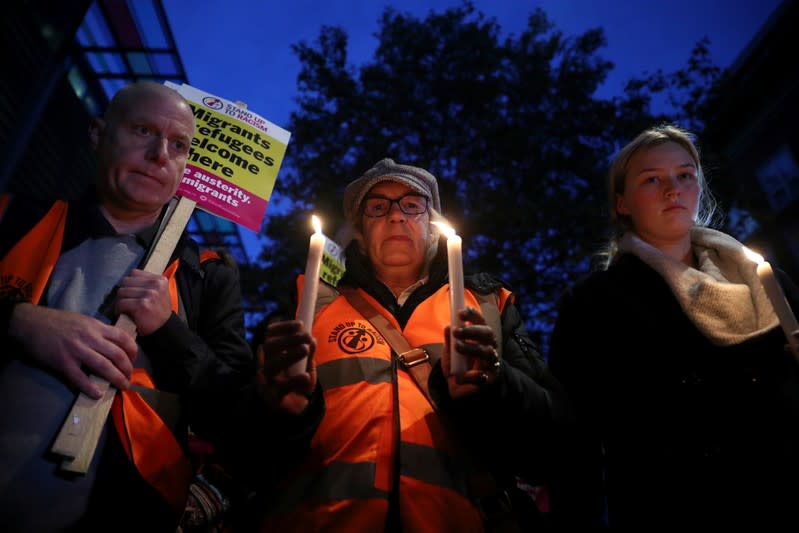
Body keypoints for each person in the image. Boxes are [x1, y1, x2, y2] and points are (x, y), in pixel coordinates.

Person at [256, 157, 568, 532]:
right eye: (377, 207)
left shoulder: (487, 304)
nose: (396, 216)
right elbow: (249, 442)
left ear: (433, 226)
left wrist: (494, 386)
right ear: (359, 230)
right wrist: (284, 409)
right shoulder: (309, 303)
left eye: (412, 204)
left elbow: (555, 438)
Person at [0, 82, 253, 531]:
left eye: (178, 145)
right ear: (99, 134)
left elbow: (237, 416)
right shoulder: (13, 218)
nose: (160, 153)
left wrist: (169, 331)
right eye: (142, 131)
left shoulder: (210, 275)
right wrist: (16, 321)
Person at [547, 124, 799, 530]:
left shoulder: (762, 279)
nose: (673, 189)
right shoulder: (594, 306)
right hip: (679, 507)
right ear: (622, 204)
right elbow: (576, 439)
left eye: (685, 175)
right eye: (652, 180)